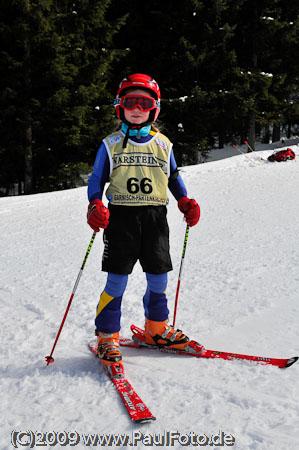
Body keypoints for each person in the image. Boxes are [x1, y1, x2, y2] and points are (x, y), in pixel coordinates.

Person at [87, 73, 201, 366]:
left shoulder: (163, 144)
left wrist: (185, 201)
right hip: (121, 218)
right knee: (117, 281)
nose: (136, 108)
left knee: (158, 277)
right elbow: (96, 181)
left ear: (154, 108)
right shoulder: (110, 144)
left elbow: (173, 177)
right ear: (119, 106)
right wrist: (95, 205)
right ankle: (107, 336)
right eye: (130, 102)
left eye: (144, 102)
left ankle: (156, 329)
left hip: (155, 218)